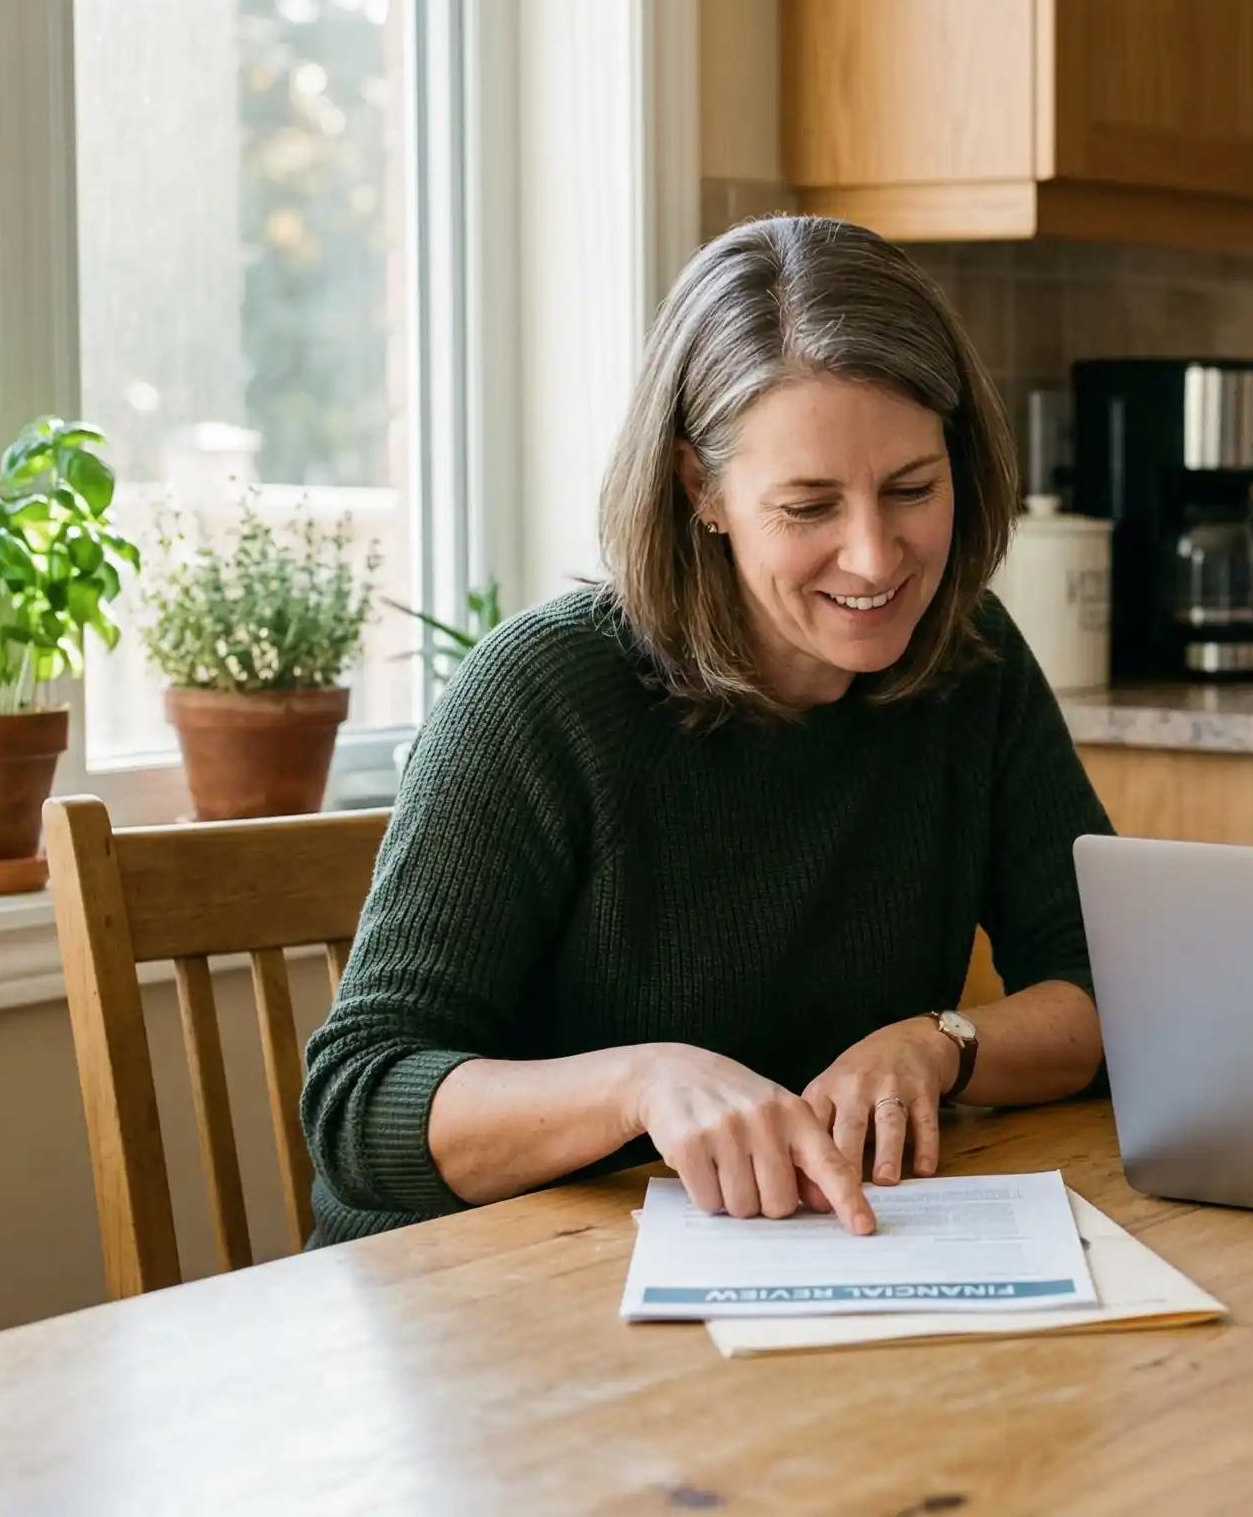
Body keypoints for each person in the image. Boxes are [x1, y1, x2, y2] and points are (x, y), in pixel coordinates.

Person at [301, 216, 1112, 1243]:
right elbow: (357, 1105)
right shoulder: (544, 693)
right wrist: (641, 1086)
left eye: (913, 489)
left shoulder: (969, 661)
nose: (874, 557)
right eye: (808, 506)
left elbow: (1108, 991)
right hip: (485, 1304)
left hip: (802, 1264)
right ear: (702, 491)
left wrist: (941, 1041)